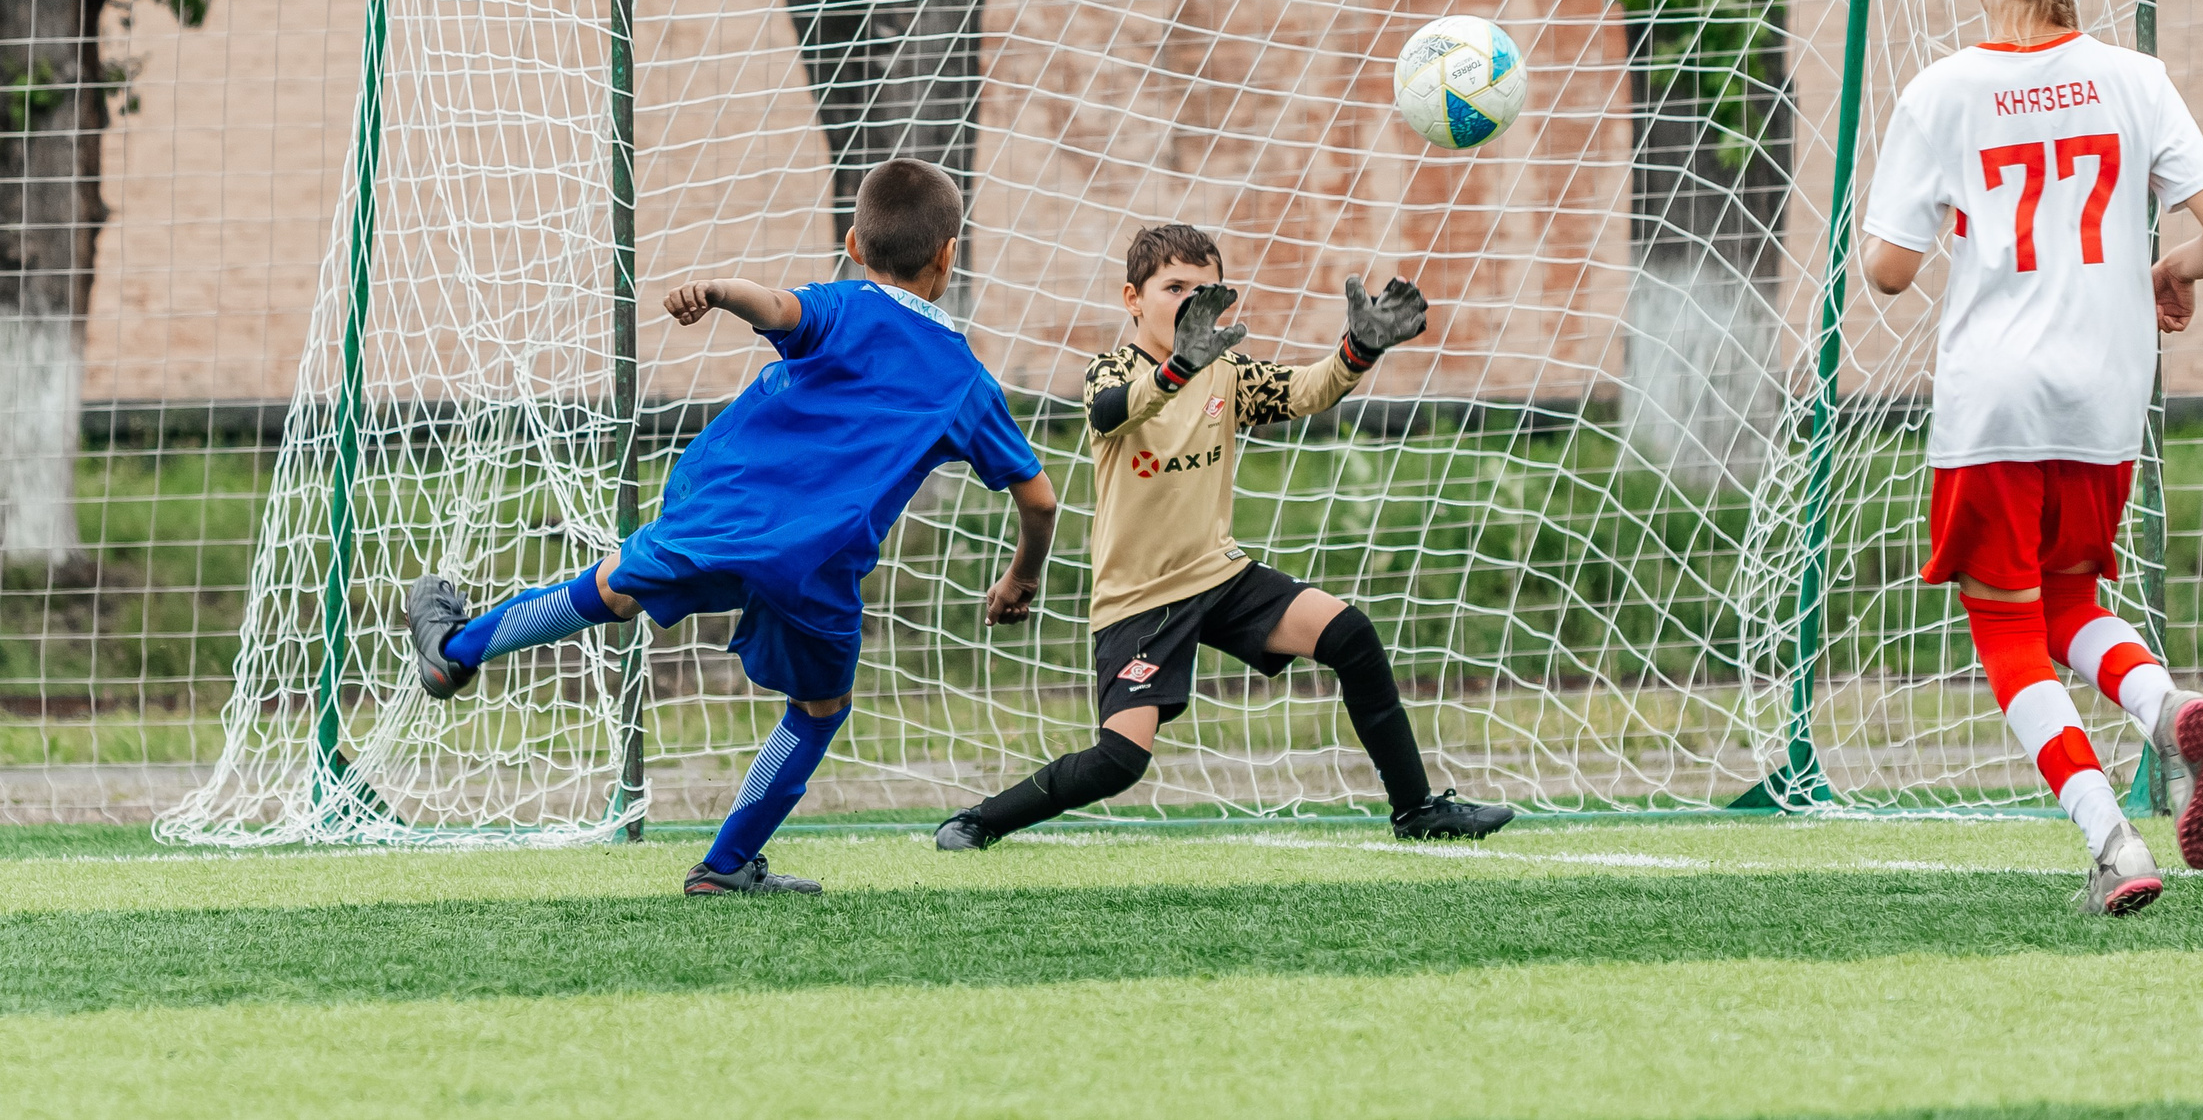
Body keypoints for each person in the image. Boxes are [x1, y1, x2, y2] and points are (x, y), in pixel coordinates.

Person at [405, 158, 1057, 896]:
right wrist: (1021, 573)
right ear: (948, 255)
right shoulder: (967, 380)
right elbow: (1039, 499)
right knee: (819, 709)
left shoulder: (843, 306)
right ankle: (724, 866)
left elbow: (775, 307)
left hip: (729, 516)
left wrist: (717, 291)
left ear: (852, 244)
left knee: (614, 588)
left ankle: (453, 653)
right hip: (818, 564)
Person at [1861, 0, 2203, 916]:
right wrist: (2169, 269)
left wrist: (1942, 220)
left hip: (1994, 397)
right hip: (2105, 390)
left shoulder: (1942, 90)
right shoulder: (2136, 78)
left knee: (2006, 630)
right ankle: (2165, 705)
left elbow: (1888, 271)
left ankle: (2112, 842)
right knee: (2075, 597)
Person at [933, 222, 1514, 848]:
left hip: (1219, 574)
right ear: (1133, 299)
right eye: (1174, 287)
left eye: (1205, 290)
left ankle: (1415, 810)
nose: (1190, 302)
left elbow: (1305, 391)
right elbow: (1114, 410)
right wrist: (1178, 368)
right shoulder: (1111, 370)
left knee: (1351, 635)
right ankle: (978, 820)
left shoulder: (1227, 372)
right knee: (1120, 762)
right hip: (1141, 598)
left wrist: (1360, 349)